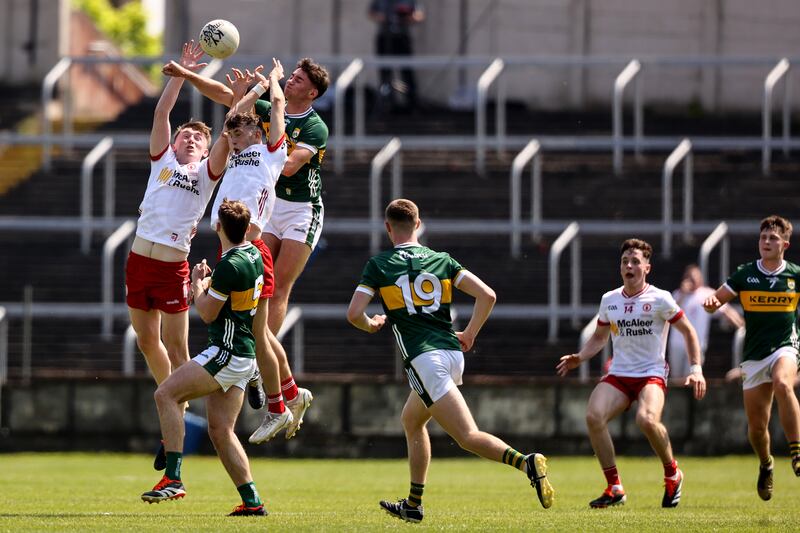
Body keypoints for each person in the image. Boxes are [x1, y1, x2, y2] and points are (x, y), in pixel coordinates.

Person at [347, 199, 554, 523]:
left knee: (467, 436)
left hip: (424, 359)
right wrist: (470, 333)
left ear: (388, 227)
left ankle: (525, 462)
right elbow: (488, 295)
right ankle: (413, 505)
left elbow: (354, 313)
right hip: (452, 353)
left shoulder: (380, 264)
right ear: (418, 224)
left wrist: (371, 324)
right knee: (412, 421)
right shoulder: (441, 260)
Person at [162, 58, 330, 438]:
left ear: (312, 91)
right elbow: (229, 110)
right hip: (247, 233)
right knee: (257, 331)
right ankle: (285, 394)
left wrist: (267, 88)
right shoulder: (242, 143)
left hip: (285, 220)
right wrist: (202, 80)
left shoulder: (289, 138)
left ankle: (271, 392)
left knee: (261, 318)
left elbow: (286, 162)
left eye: (298, 79)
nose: (290, 81)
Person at [125, 41, 227, 469]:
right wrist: (179, 75)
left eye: (197, 138)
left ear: (205, 150)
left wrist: (235, 103)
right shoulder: (162, 160)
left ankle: (174, 423)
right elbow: (161, 115)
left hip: (172, 267)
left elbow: (227, 136)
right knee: (147, 341)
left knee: (177, 346)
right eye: (186, 134)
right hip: (138, 261)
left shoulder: (205, 174)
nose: (188, 139)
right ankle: (175, 410)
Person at [557, 238, 706, 509]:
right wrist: (581, 357)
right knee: (593, 416)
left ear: (647, 267)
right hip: (620, 373)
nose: (629, 265)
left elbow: (688, 331)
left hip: (651, 373)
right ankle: (614, 487)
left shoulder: (660, 298)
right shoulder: (610, 299)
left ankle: (672, 474)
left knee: (647, 419)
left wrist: (696, 369)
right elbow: (600, 337)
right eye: (625, 261)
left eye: (635, 261)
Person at [141, 199, 268, 517]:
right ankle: (252, 501)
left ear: (218, 227)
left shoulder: (230, 265)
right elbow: (229, 293)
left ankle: (173, 478)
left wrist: (198, 284)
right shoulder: (253, 253)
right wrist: (210, 285)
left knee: (165, 394)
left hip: (225, 352)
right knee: (221, 430)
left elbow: (209, 313)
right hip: (243, 353)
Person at [202, 60, 299, 443]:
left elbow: (278, 108)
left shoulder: (271, 153)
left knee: (258, 334)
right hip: (232, 248)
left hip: (251, 249)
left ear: (255, 133)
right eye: (233, 138)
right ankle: (283, 394)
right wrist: (249, 92)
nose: (234, 142)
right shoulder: (237, 151)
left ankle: (276, 403)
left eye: (240, 137)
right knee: (255, 334)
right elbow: (233, 117)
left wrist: (272, 82)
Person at [703, 215, 800, 501]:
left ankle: (796, 453)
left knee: (784, 383)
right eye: (763, 238)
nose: (766, 242)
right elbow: (717, 299)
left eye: (772, 238)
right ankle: (766, 464)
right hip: (754, 355)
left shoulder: (794, 274)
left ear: (785, 243)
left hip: (785, 346)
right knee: (757, 429)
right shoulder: (745, 274)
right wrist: (711, 304)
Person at [668, 264, 743, 379]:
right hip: (676, 344)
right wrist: (683, 293)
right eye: (689, 277)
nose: (691, 280)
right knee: (676, 377)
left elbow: (726, 310)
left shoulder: (707, 293)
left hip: (696, 344)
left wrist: (742, 326)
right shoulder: (677, 294)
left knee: (691, 376)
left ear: (700, 278)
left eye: (694, 277)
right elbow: (670, 314)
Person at [368, 0, 424, 111]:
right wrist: (382, 18)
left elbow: (419, 15)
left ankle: (411, 102)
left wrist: (406, 17)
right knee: (385, 72)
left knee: (407, 71)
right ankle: (387, 102)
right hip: (385, 37)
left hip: (402, 37)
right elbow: (371, 13)